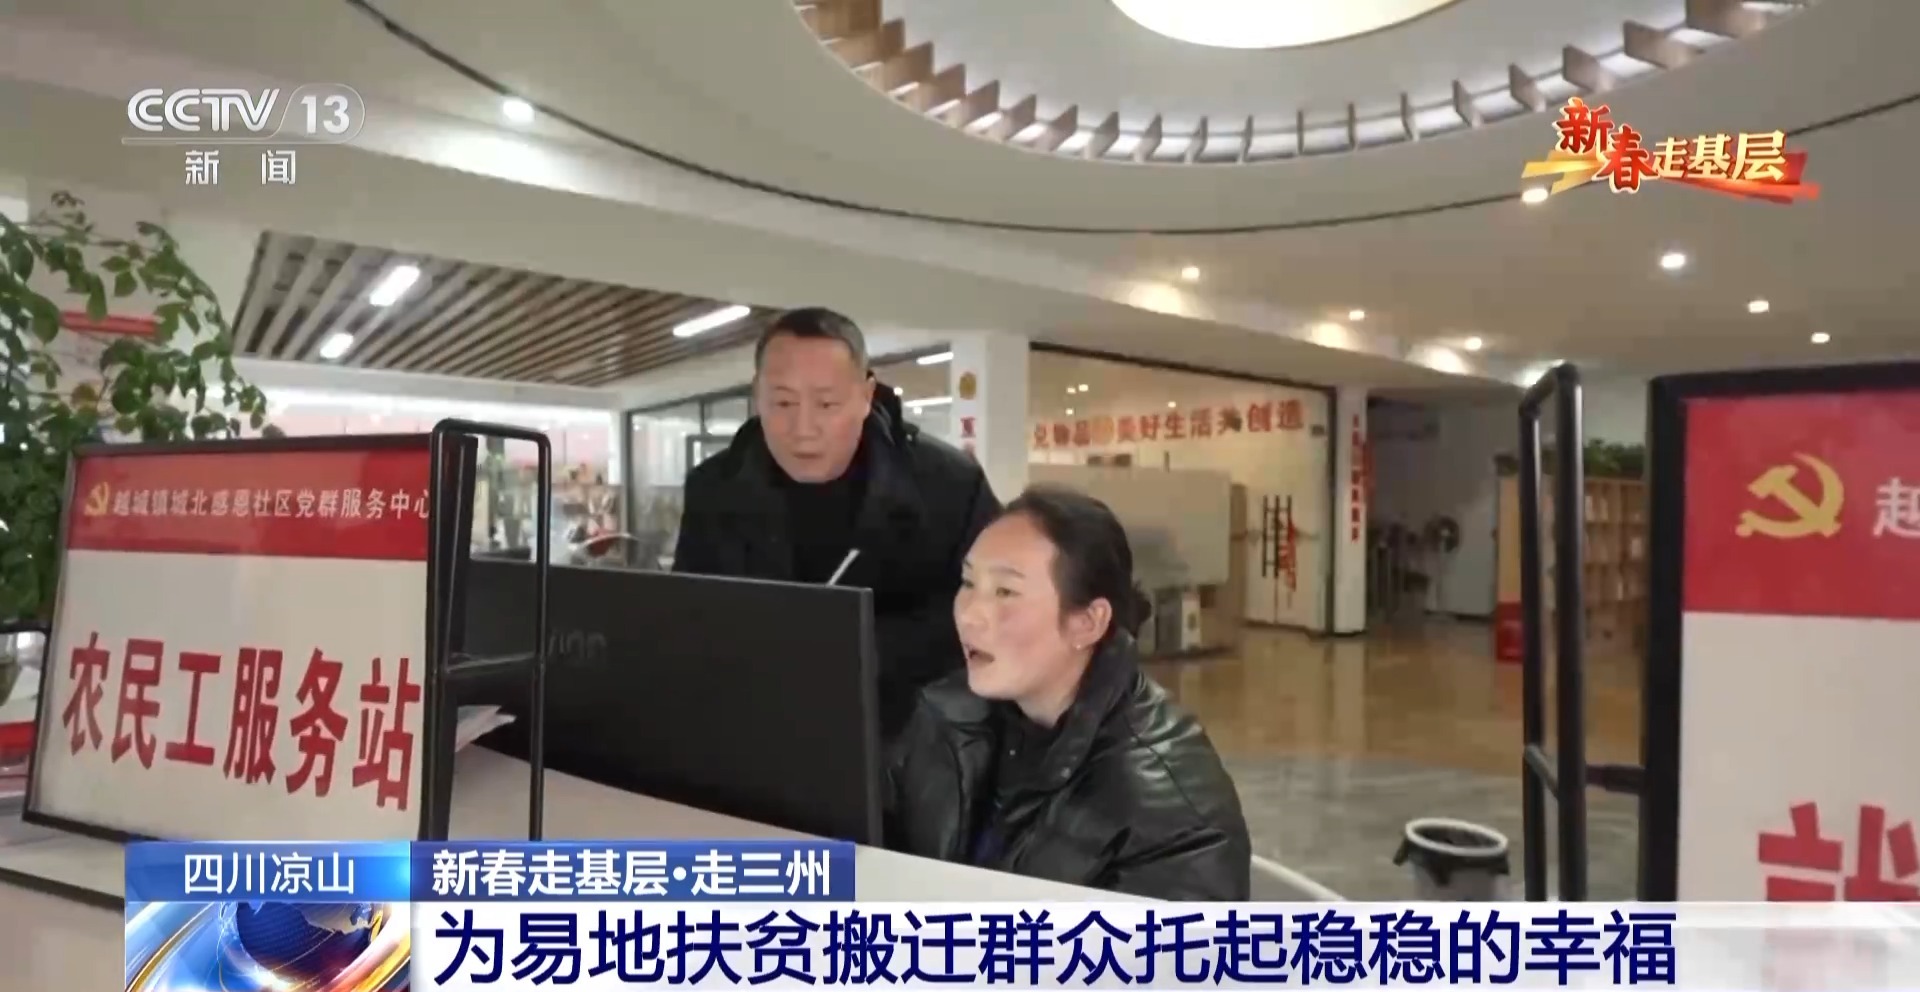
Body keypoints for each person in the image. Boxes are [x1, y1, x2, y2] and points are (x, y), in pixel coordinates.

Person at [886, 485, 1251, 900]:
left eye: (1005, 592)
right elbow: (869, 854)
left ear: (1087, 622)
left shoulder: (1171, 814)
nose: (969, 614)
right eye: (968, 582)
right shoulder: (945, 715)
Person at [674, 307, 1000, 738]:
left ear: (866, 395)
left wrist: (858, 649)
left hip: (914, 742)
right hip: (757, 730)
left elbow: (996, 612)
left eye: (827, 403)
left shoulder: (950, 485)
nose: (803, 428)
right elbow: (688, 617)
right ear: (757, 395)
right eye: (783, 402)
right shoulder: (714, 488)